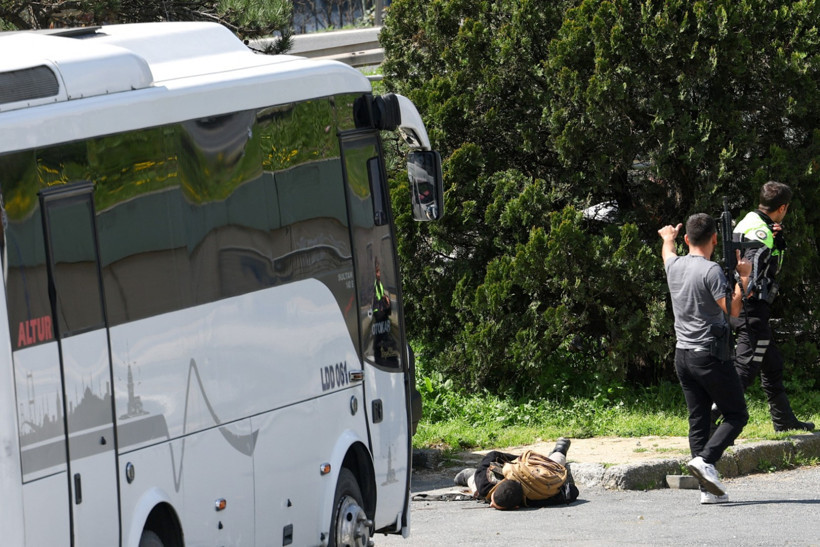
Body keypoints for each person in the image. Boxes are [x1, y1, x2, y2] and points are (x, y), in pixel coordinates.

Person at [659, 214, 751, 504]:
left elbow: (667, 251)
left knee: (698, 419)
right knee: (737, 415)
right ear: (714, 238)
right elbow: (732, 311)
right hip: (709, 355)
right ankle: (706, 460)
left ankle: (707, 490)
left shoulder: (674, 265)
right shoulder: (711, 271)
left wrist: (668, 238)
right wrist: (744, 277)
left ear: (687, 239)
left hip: (683, 355)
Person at [728, 182, 814, 432]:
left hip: (749, 308)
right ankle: (713, 416)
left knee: (772, 363)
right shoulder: (761, 232)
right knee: (745, 367)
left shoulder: (750, 222)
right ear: (783, 208)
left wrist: (775, 240)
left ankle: (783, 420)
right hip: (751, 309)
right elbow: (750, 266)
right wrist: (749, 293)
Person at [453, 438, 579, 510]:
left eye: (493, 503)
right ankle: (561, 448)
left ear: (516, 506)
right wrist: (519, 460)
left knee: (479, 491)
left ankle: (468, 475)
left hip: (534, 467)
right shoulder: (534, 500)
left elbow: (572, 491)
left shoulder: (485, 486)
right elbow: (492, 455)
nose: (490, 504)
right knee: (550, 467)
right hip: (534, 467)